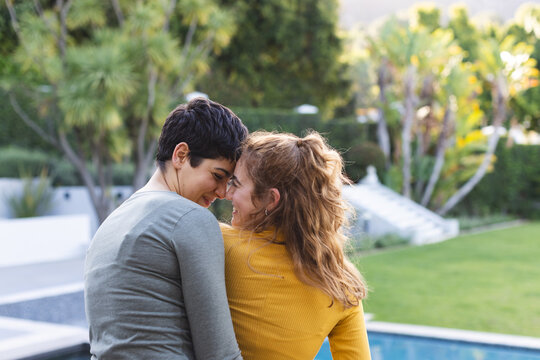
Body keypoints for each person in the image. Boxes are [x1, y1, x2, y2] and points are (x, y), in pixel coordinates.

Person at [84, 98, 247, 360]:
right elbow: (219, 354)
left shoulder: (110, 224)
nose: (221, 193)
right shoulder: (190, 218)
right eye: (217, 176)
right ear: (181, 155)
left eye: (229, 183)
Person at [221, 131, 371, 360]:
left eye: (236, 184)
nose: (226, 193)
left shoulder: (218, 243)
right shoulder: (340, 284)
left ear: (271, 200)